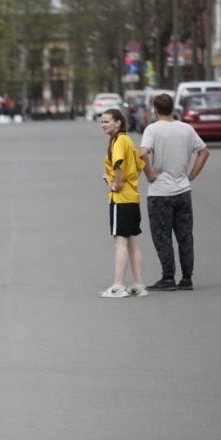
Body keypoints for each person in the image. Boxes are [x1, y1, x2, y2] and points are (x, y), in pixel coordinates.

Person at [139, 93, 209, 291]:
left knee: (162, 235)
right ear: (173, 108)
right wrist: (191, 175)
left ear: (155, 109)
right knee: (185, 235)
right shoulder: (186, 128)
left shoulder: (152, 130)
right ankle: (187, 278)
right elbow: (204, 151)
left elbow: (143, 153)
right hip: (182, 190)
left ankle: (168, 277)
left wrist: (150, 174)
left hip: (160, 192)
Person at [98, 108, 147, 298]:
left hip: (121, 199)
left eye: (106, 121)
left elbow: (118, 164)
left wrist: (117, 184)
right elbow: (139, 164)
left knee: (119, 242)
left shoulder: (118, 141)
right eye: (101, 122)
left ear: (118, 123)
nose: (103, 125)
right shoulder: (127, 140)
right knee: (132, 242)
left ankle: (118, 286)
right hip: (132, 197)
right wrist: (124, 180)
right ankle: (138, 284)